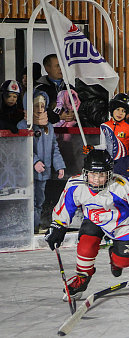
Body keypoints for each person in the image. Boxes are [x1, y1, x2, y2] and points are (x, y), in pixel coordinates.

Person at [44, 150, 129, 299]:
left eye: (101, 175)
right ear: (85, 173)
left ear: (109, 174)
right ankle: (82, 279)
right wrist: (58, 226)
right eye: (93, 174)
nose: (96, 179)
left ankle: (115, 257)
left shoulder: (121, 186)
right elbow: (65, 208)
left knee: (124, 261)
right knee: (86, 247)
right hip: (95, 221)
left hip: (121, 226)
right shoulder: (76, 184)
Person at [19, 89, 65, 231]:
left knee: (40, 199)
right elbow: (23, 148)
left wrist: (59, 166)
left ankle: (36, 224)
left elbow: (54, 148)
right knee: (30, 200)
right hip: (27, 173)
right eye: (36, 105)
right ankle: (29, 226)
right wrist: (35, 162)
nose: (39, 109)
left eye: (42, 105)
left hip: (43, 172)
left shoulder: (48, 127)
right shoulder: (23, 125)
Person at [97, 93, 129, 177]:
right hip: (107, 162)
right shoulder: (104, 126)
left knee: (122, 187)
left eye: (123, 111)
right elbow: (103, 146)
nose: (120, 113)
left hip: (123, 163)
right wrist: (92, 148)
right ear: (112, 109)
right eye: (117, 109)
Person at [36, 54, 66, 124]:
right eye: (57, 66)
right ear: (47, 68)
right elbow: (37, 112)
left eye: (62, 65)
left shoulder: (69, 88)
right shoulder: (39, 89)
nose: (60, 68)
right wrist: (57, 117)